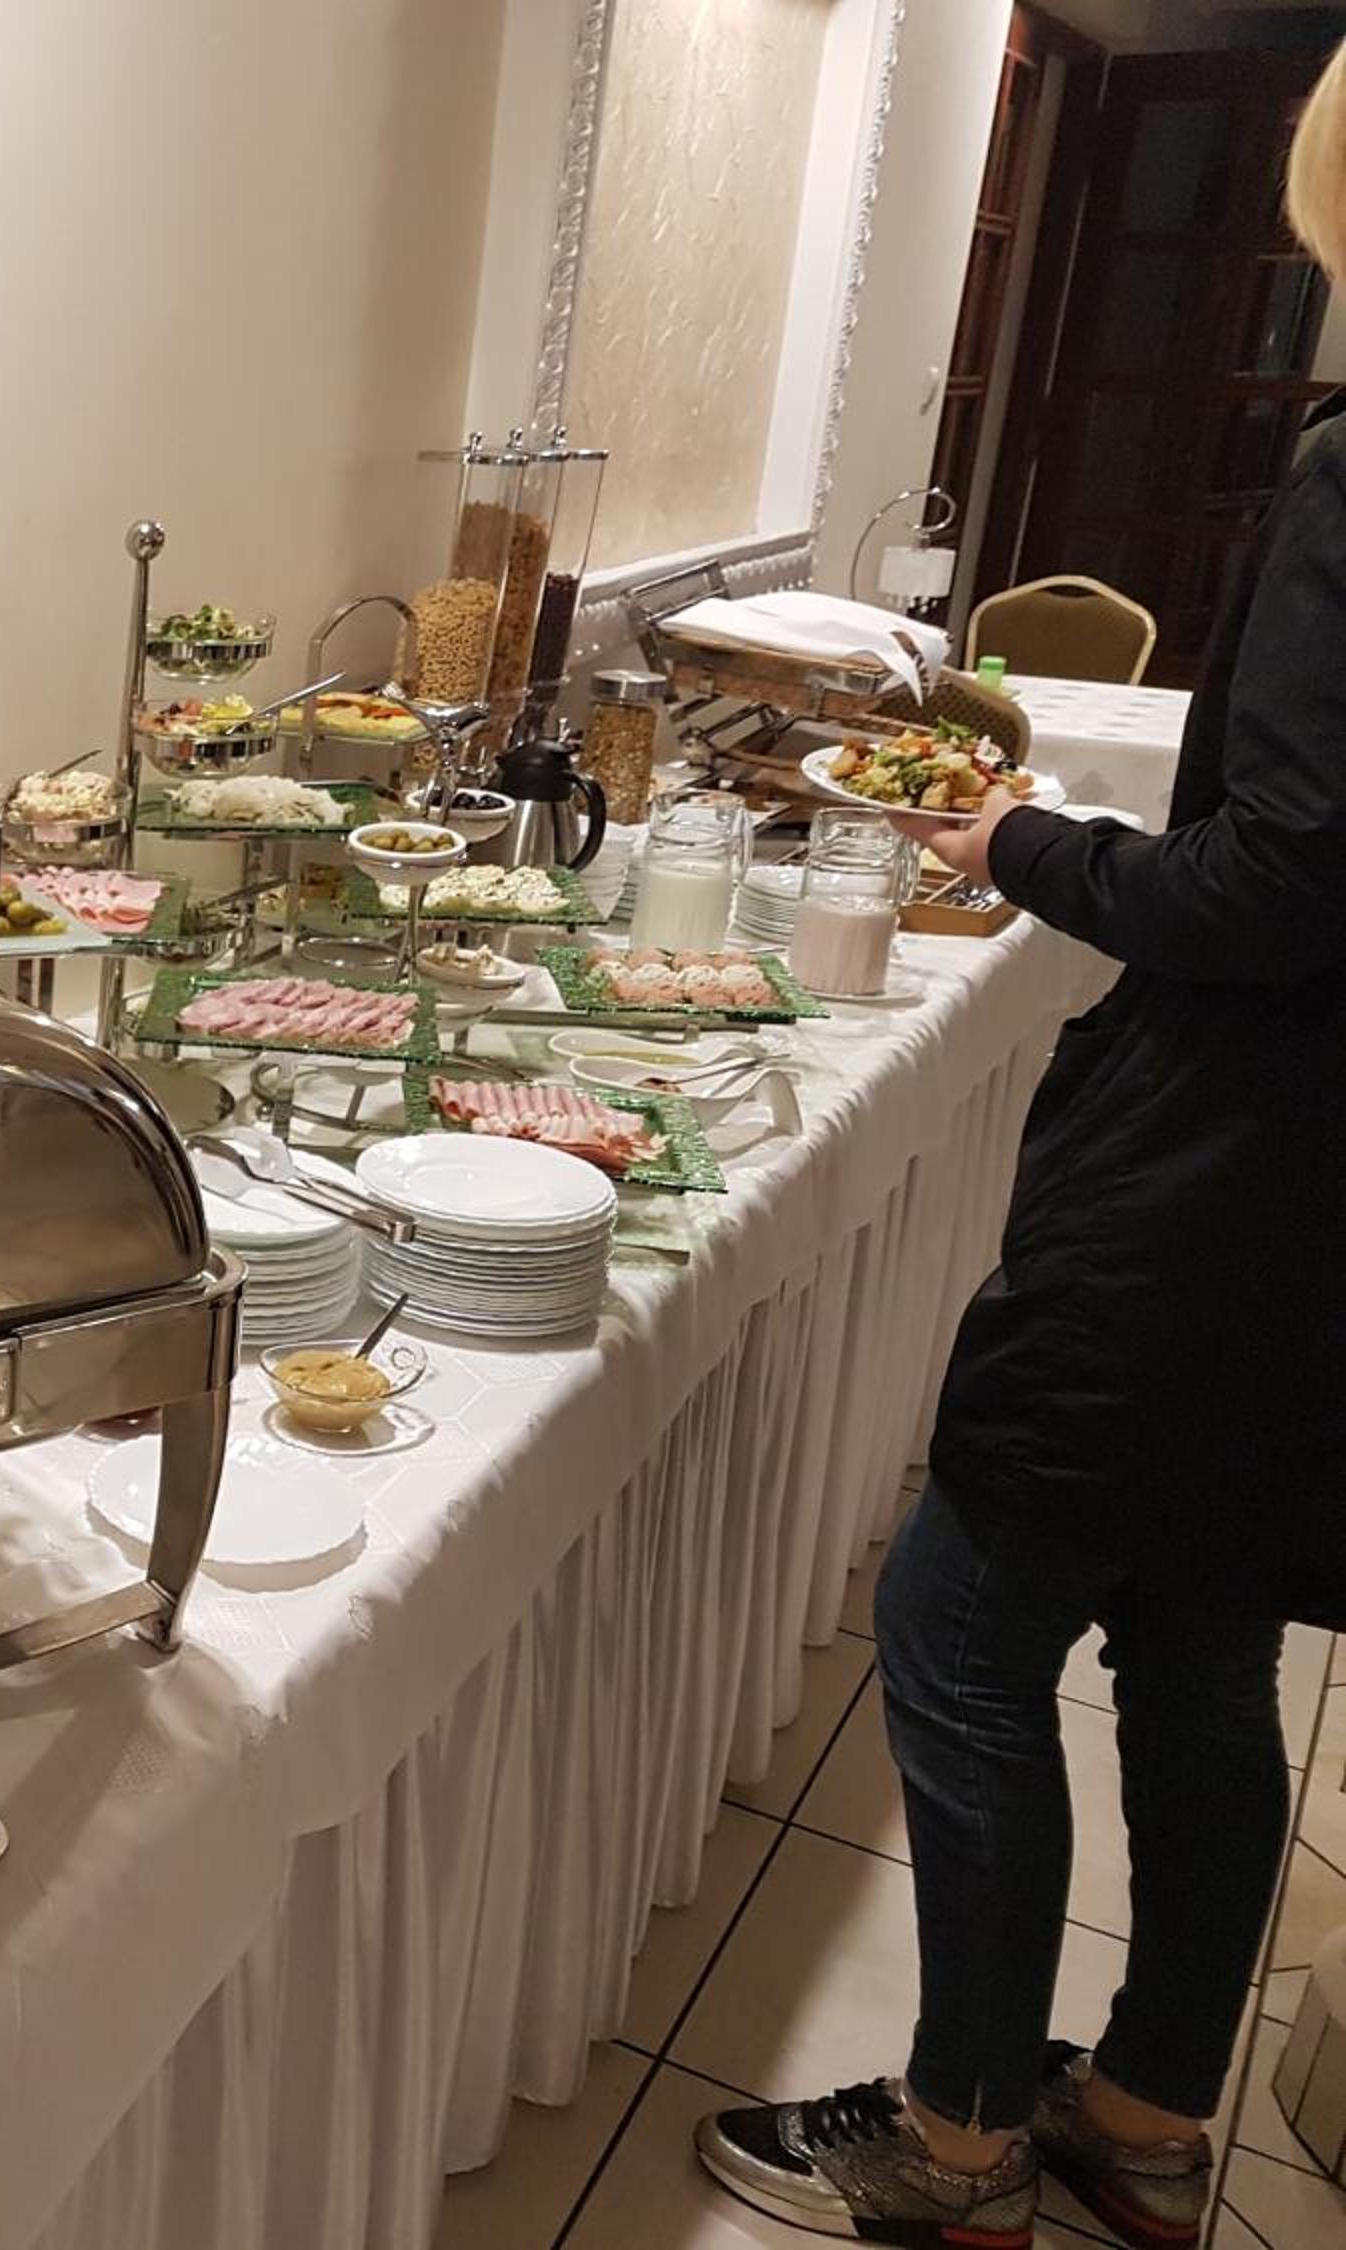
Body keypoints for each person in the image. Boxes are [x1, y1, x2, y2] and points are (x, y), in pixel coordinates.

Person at [692, 41, 1346, 2250]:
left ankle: (962, 2136)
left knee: (960, 1628)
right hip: (1322, 1212)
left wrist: (1026, 843)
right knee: (1204, 1651)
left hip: (1230, 1180)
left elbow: (1283, 881)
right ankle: (1144, 2118)